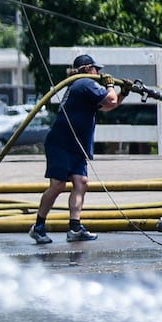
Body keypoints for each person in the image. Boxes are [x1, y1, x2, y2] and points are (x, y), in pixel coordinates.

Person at [30, 53, 119, 245]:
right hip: (61, 143)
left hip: (75, 145)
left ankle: (75, 227)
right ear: (88, 69)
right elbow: (110, 99)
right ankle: (38, 226)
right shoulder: (85, 83)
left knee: (82, 182)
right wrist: (110, 85)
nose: (99, 73)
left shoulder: (81, 87)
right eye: (97, 69)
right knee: (58, 185)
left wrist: (124, 93)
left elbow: (108, 105)